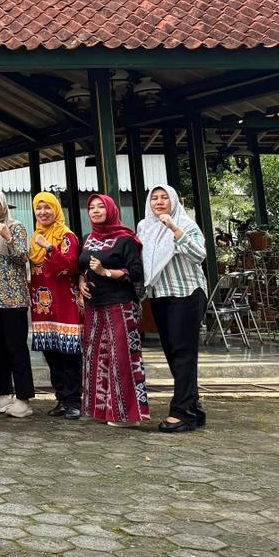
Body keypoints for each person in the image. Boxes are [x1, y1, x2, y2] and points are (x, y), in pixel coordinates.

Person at [138, 184, 208, 434]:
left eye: (164, 198)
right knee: (173, 353)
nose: (158, 202)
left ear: (174, 202)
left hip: (186, 293)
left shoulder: (185, 224)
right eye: (154, 198)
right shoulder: (144, 228)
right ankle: (193, 407)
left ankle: (182, 413)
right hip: (160, 295)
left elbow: (199, 254)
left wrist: (174, 229)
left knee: (183, 353)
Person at [79, 194, 149, 428]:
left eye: (101, 207)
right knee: (96, 357)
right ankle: (101, 410)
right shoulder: (88, 238)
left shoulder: (125, 238)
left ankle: (127, 415)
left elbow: (135, 273)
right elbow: (81, 266)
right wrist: (81, 281)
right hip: (94, 307)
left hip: (121, 305)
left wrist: (105, 272)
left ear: (111, 210)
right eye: (92, 207)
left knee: (123, 358)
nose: (96, 211)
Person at [0, 190, 34, 418]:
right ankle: (4, 394)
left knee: (16, 349)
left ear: (3, 205)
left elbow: (23, 257)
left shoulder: (16, 226)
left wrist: (8, 237)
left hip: (13, 300)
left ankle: (23, 398)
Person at [29, 192, 83, 420]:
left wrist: (50, 248)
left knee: (69, 354)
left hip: (65, 305)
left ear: (56, 210)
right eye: (38, 208)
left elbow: (69, 267)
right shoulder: (35, 237)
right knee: (51, 355)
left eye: (47, 207)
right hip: (43, 307)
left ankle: (74, 401)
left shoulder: (66, 236)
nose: (42, 212)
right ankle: (61, 398)